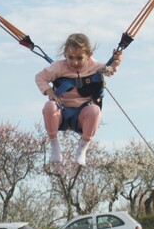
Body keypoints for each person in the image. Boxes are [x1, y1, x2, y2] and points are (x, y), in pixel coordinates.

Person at [35, 33, 122, 166]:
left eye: (80, 58)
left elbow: (110, 70)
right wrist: (49, 91)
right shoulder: (58, 67)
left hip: (82, 116)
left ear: (89, 54)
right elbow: (40, 77)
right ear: (65, 55)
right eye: (70, 57)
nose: (75, 62)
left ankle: (83, 147)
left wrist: (116, 61)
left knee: (94, 110)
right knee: (49, 107)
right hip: (61, 113)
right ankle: (54, 144)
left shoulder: (96, 67)